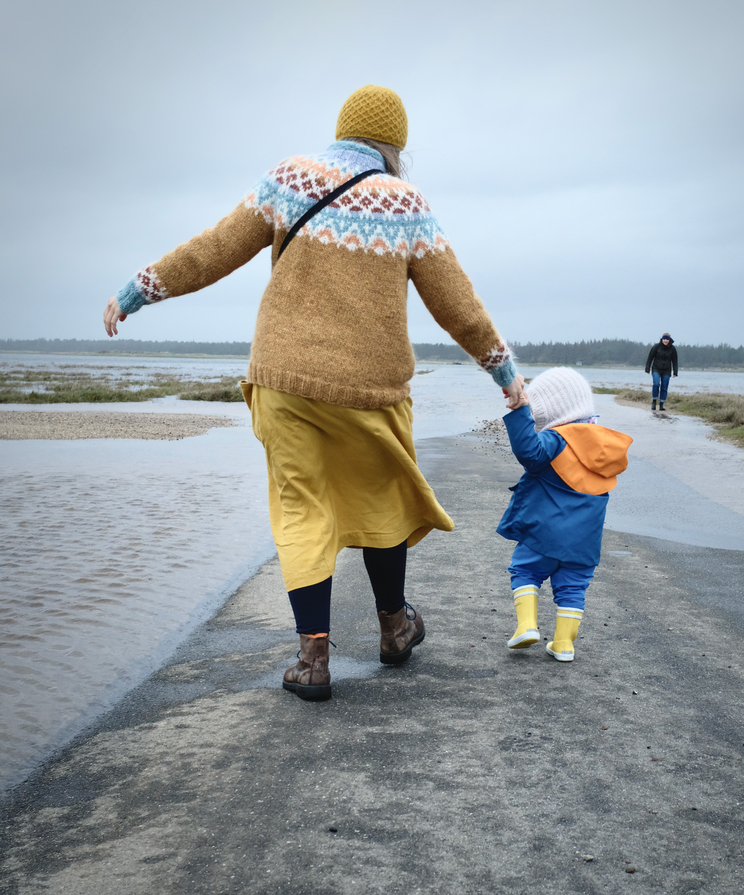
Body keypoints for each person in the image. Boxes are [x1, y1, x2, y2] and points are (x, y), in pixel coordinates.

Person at [103, 85, 525, 701]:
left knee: (301, 509)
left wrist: (137, 291)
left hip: (284, 380)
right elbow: (455, 305)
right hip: (371, 390)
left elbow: (213, 250)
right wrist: (505, 374)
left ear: (341, 130)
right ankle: (394, 630)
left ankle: (313, 659)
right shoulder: (405, 202)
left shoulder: (288, 179)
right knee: (381, 503)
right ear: (394, 147)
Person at [497, 368, 631, 662]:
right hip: (584, 545)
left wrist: (520, 409)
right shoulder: (603, 448)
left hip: (543, 536)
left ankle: (527, 625)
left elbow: (528, 452)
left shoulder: (558, 441)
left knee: (525, 571)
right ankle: (564, 645)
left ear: (551, 410)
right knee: (572, 587)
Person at [645, 332, 678, 410]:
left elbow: (675, 361)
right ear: (662, 339)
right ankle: (654, 401)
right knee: (656, 384)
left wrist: (675, 372)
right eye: (664, 339)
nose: (665, 341)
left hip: (667, 370)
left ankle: (661, 404)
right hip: (656, 368)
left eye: (667, 339)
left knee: (664, 387)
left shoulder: (672, 349)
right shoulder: (656, 347)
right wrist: (647, 368)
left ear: (669, 340)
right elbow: (650, 358)